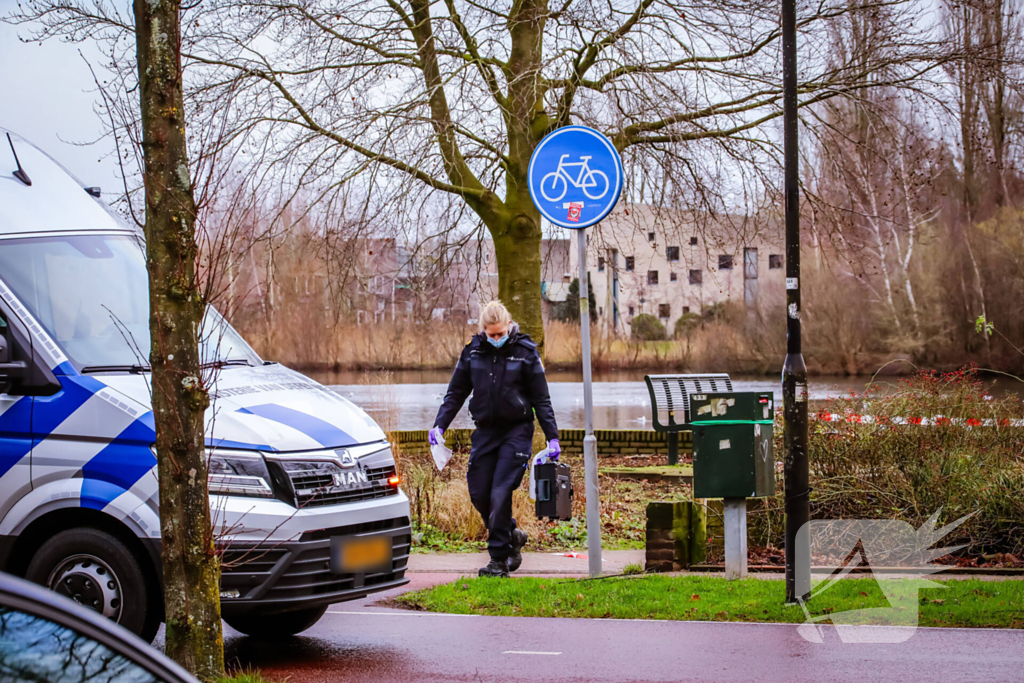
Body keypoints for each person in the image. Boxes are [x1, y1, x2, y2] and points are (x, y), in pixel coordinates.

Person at [429, 301, 560, 578]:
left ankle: (498, 560)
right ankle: (512, 533)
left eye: (501, 334)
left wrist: (552, 437)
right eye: (492, 334)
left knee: (501, 491)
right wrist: (439, 425)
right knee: (479, 492)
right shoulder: (473, 352)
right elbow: (455, 393)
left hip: (517, 432)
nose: (497, 339)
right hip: (486, 432)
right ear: (483, 330)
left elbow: (541, 399)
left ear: (509, 326)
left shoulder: (526, 352)